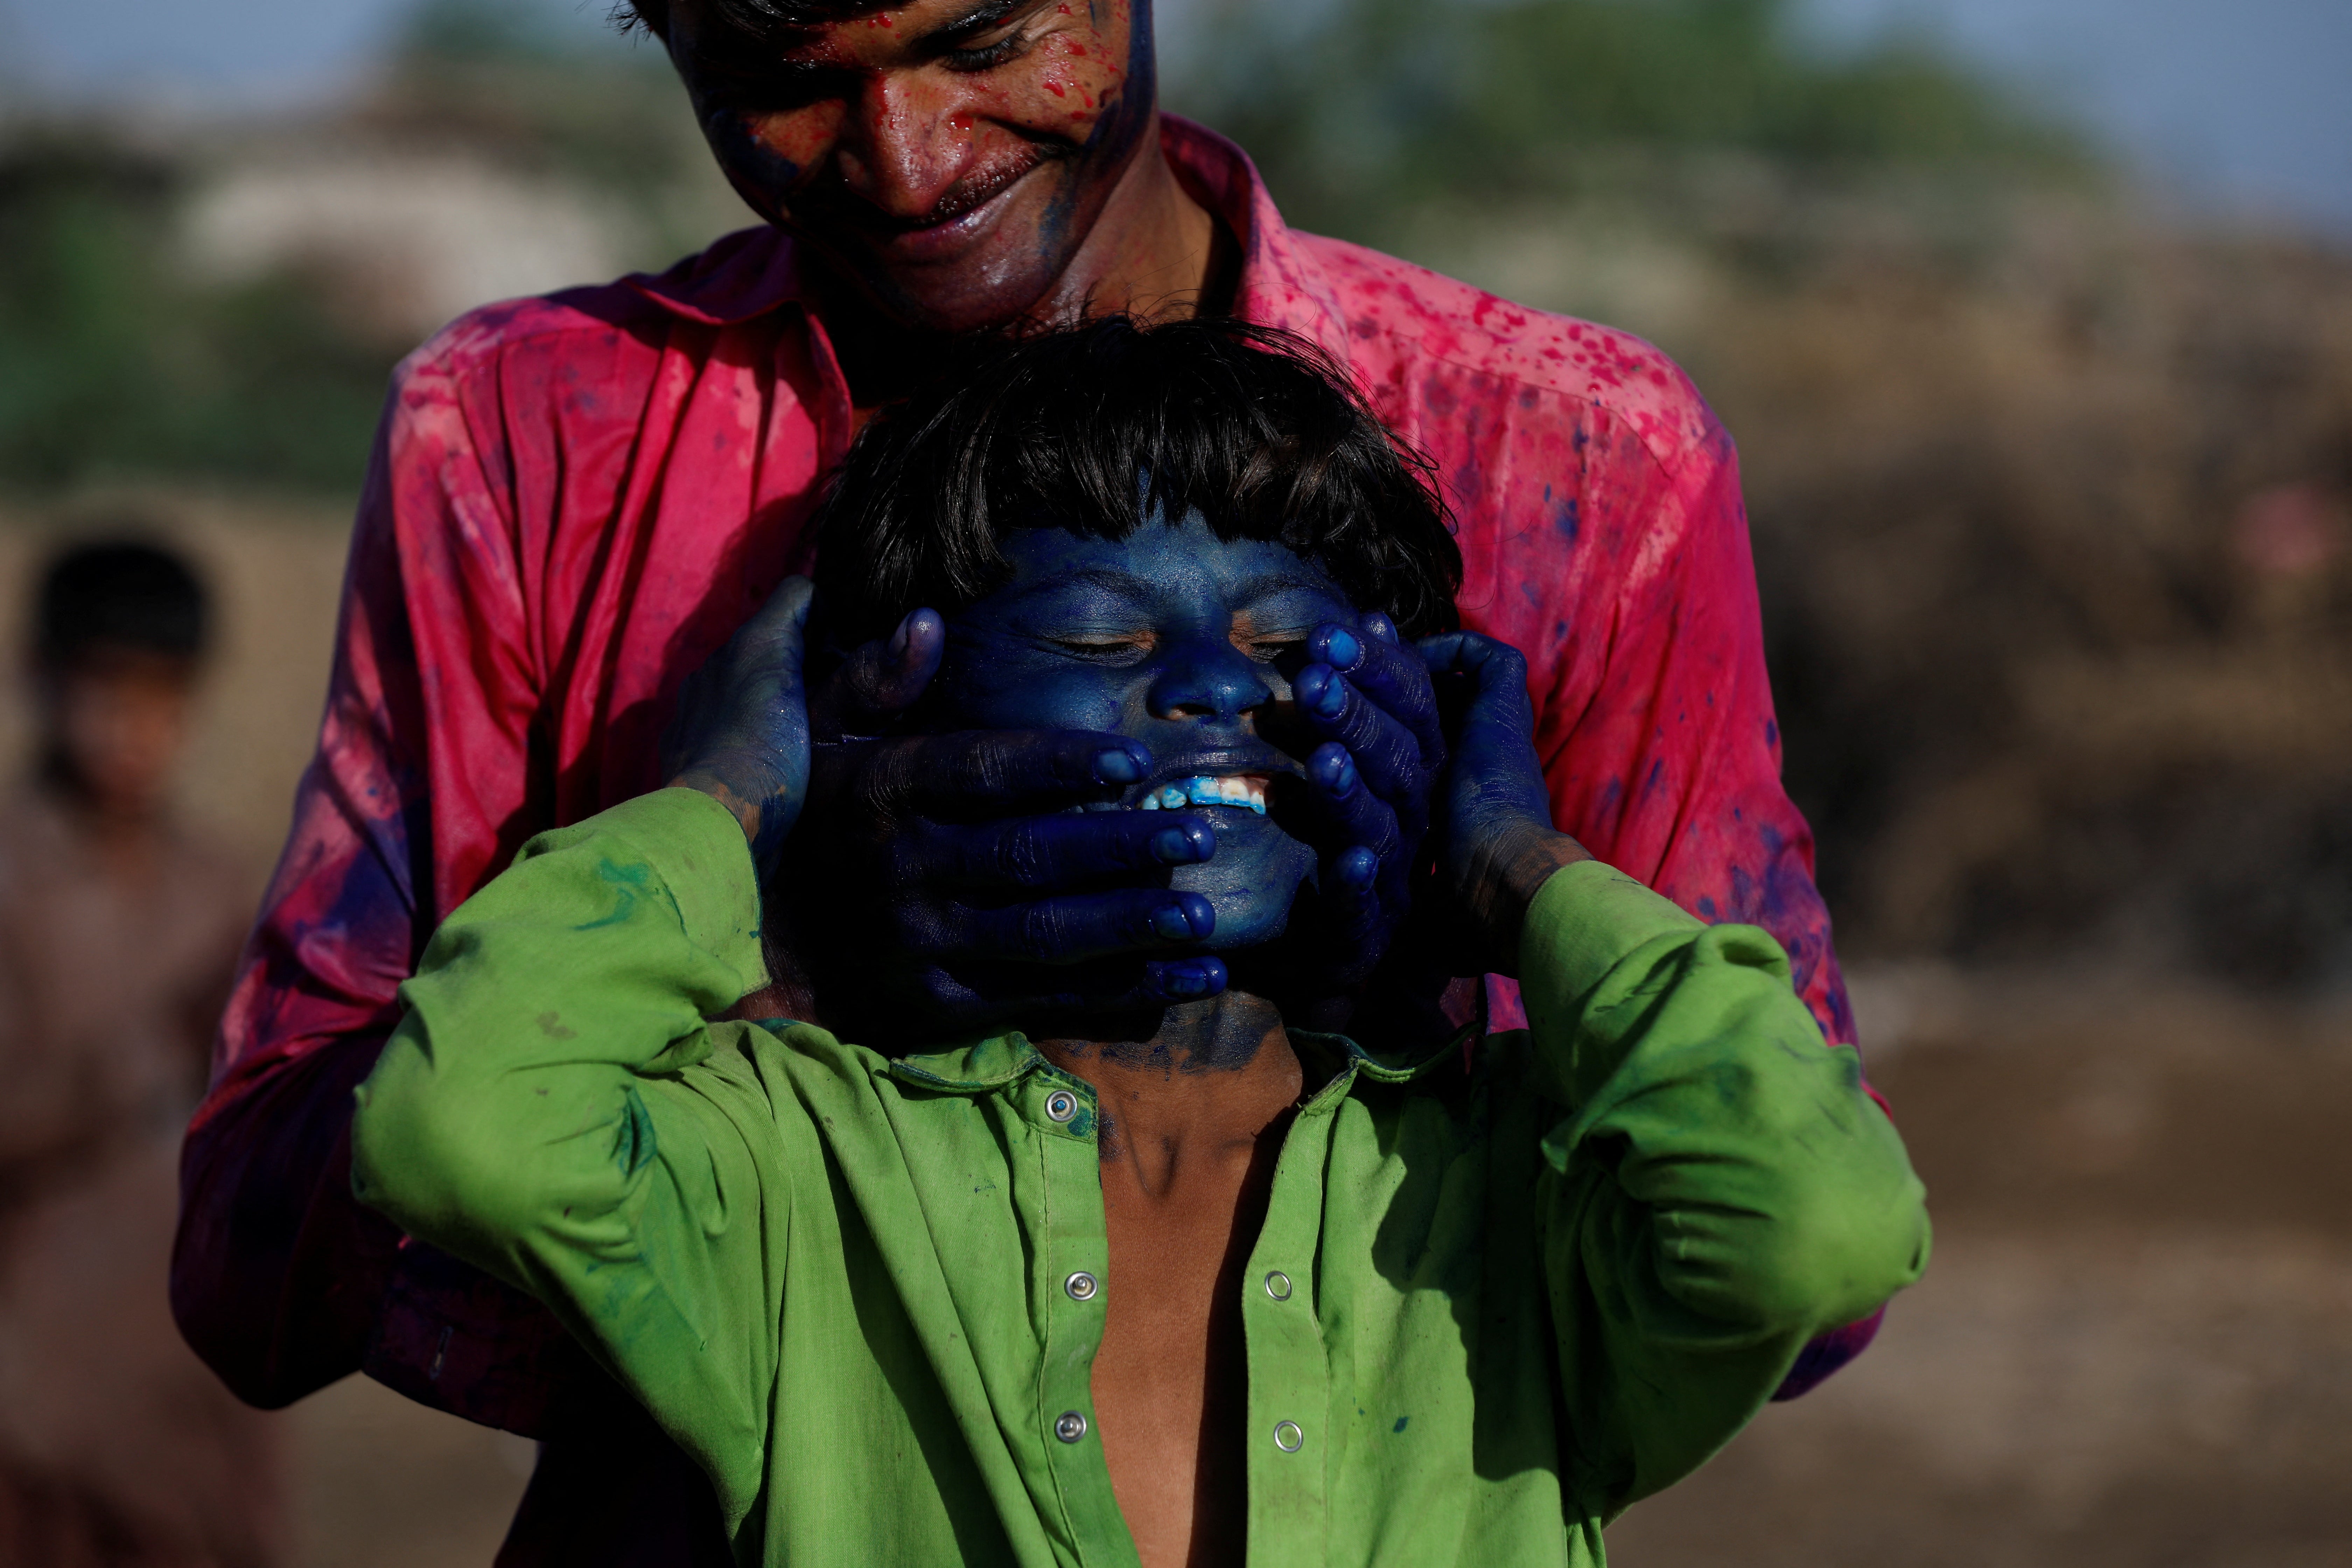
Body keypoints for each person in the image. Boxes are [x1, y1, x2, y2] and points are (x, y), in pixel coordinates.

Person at [175, 0, 1878, 1558]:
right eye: (782, 80)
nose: (909, 161)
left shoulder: (1572, 463)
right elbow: (263, 1265)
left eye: (983, 35)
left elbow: (1799, 1261)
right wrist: (778, 955)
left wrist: (1468, 908)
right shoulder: (528, 444)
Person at [348, 317, 1928, 1568]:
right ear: (911, 701)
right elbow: (465, 1125)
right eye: (1101, 639)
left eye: (1292, 649)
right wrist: (735, 794)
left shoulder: (1517, 1190)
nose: (1210, 691)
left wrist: (1512, 863)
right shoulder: (808, 1179)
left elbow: (1817, 1221)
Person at [0, 539, 282, 1566]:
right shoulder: (14, 881)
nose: (137, 730)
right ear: (40, 675)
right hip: (31, 1416)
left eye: (165, 699)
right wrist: (144, 1053)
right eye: (108, 691)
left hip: (190, 1410)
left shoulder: (225, 892)